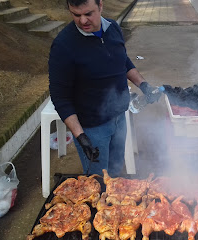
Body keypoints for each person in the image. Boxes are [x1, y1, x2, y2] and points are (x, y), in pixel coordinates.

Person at [48, 0, 161, 176]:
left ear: (100, 5)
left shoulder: (113, 28)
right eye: (76, 15)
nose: (83, 21)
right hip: (92, 128)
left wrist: (144, 85)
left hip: (119, 117)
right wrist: (81, 136)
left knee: (115, 171)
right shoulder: (63, 46)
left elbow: (123, 60)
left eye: (88, 14)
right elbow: (60, 97)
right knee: (99, 179)